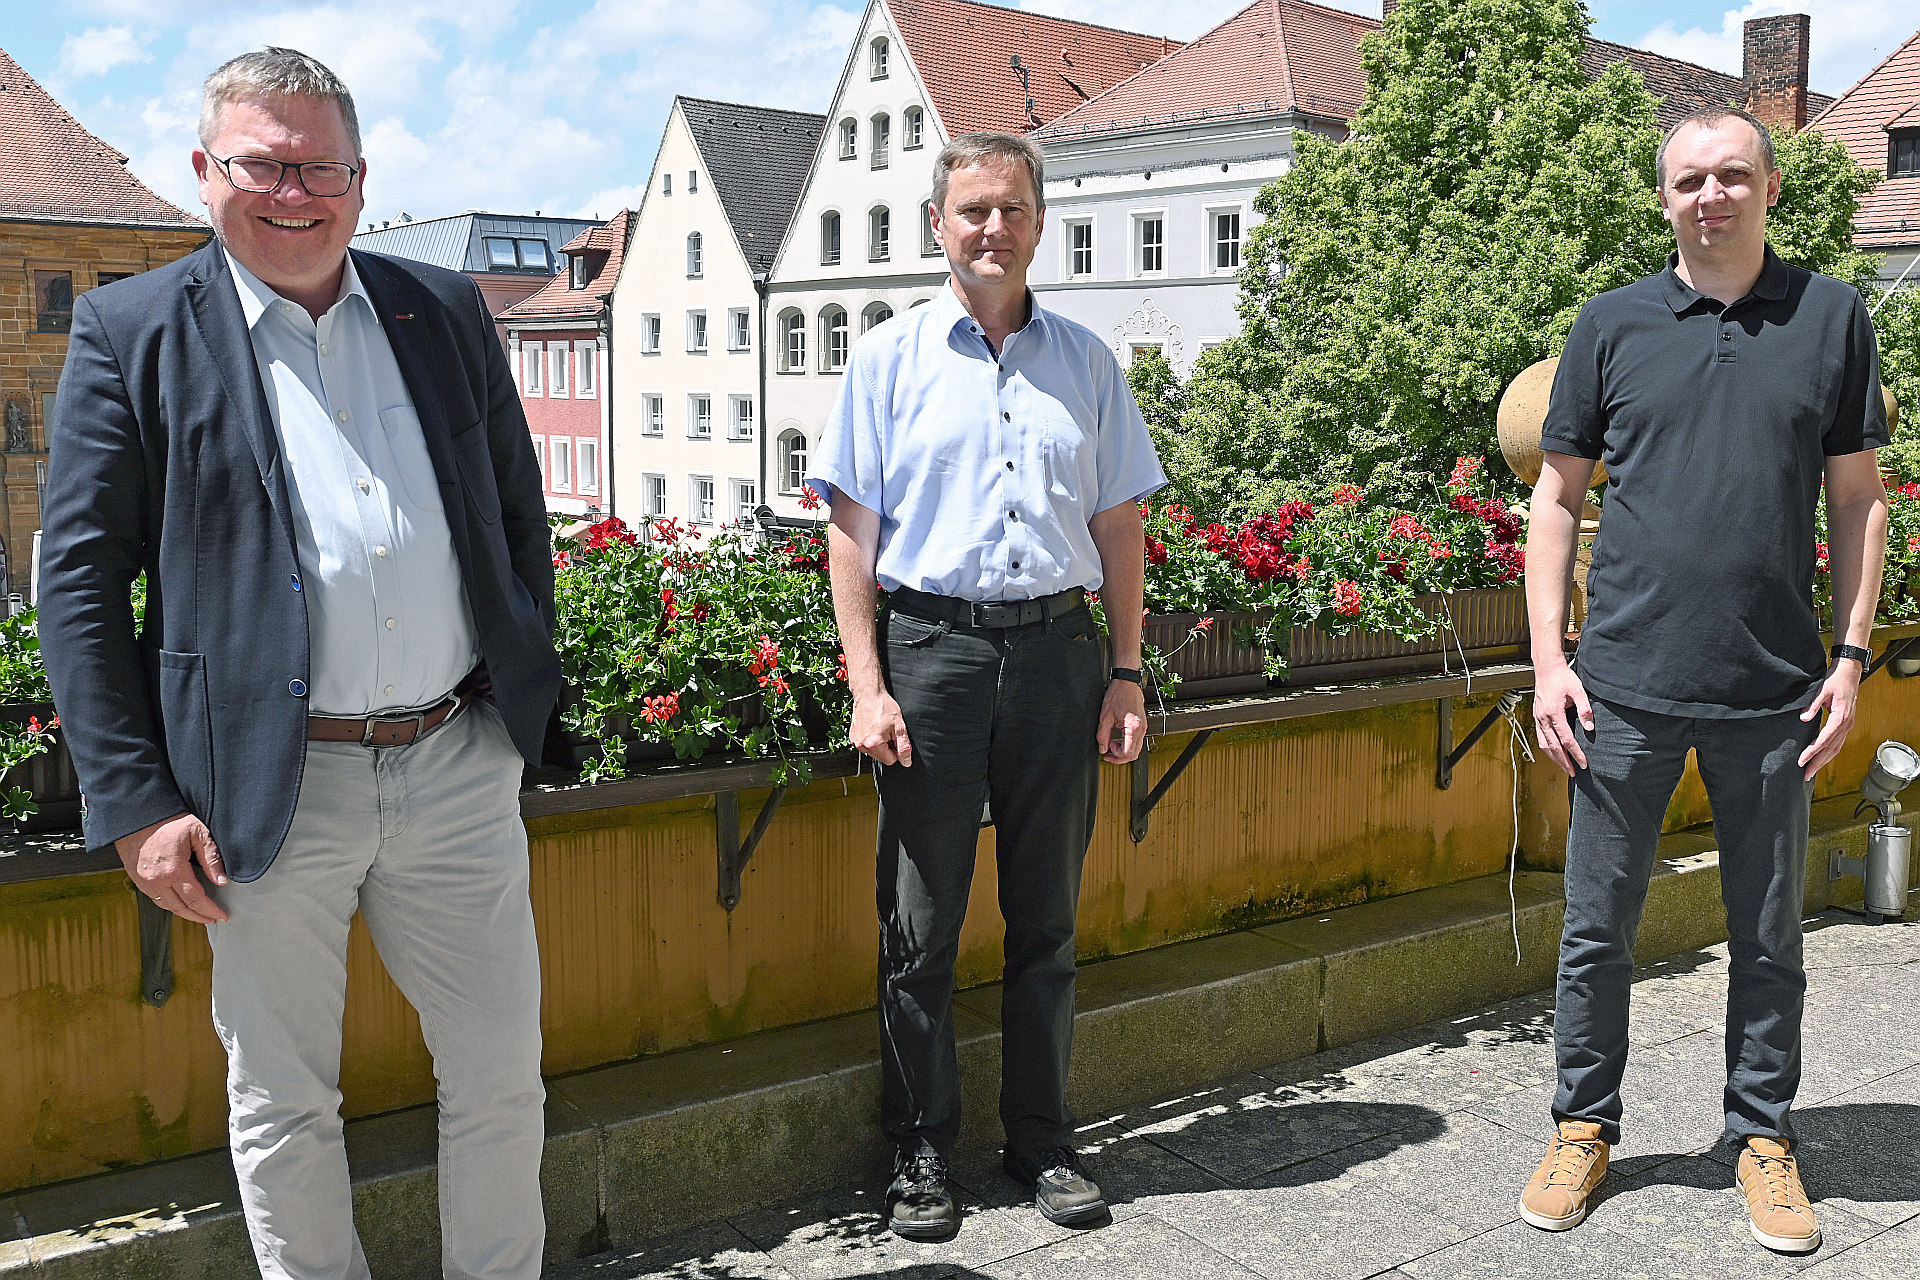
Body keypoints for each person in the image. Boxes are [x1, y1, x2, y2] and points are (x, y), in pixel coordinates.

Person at [38, 48, 560, 1280]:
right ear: (205, 172)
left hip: (456, 761)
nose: (292, 192)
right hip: (264, 789)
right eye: (262, 164)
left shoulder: (443, 310)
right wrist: (135, 799)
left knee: (500, 1076)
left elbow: (515, 520)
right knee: (283, 1100)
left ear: (361, 177)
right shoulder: (134, 328)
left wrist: (519, 695)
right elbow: (76, 582)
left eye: (317, 165)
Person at [1521, 105, 1889, 1254]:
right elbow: (1555, 497)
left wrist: (1850, 653)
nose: (1711, 195)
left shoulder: (1831, 317)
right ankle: (1585, 1122)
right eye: (1690, 180)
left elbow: (1859, 497)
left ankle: (1763, 1133)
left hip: (1776, 689)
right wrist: (1545, 659)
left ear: (1770, 188)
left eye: (1733, 175)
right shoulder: (1613, 324)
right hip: (1618, 684)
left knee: (1769, 929)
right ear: (1666, 195)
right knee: (1597, 928)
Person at [807, 131, 1165, 1240]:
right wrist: (868, 684)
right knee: (920, 926)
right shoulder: (889, 359)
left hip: (1059, 658)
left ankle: (1043, 1137)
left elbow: (1119, 525)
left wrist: (1124, 671)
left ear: (1039, 221)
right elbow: (850, 538)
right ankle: (919, 1151)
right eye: (972, 211)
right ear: (937, 225)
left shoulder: (1088, 363)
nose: (993, 229)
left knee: (1047, 920)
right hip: (933, 658)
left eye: (1012, 208)